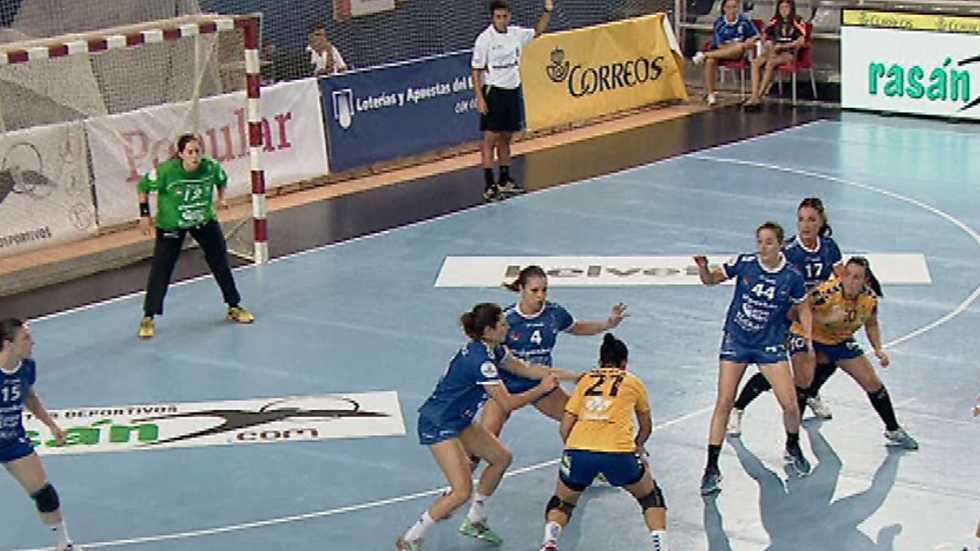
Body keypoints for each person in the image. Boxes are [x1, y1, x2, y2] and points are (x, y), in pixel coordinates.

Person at [396, 303, 578, 551]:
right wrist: (542, 389)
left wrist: (573, 376)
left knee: (501, 458)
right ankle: (410, 539)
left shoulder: (494, 349)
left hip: (459, 418)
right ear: (489, 331)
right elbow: (507, 403)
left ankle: (475, 518)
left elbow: (526, 369)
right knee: (461, 491)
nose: (508, 326)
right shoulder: (482, 362)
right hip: (438, 423)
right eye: (502, 323)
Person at [694, 221, 813, 496]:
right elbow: (710, 280)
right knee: (724, 401)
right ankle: (711, 468)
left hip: (769, 344)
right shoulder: (745, 264)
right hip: (737, 340)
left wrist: (807, 335)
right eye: (760, 241)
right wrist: (703, 268)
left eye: (769, 242)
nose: (763, 247)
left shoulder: (791, 276)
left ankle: (792, 445)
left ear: (780, 245)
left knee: (790, 404)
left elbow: (803, 307)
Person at [538, 333, 668, 551]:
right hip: (619, 453)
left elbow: (565, 426)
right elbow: (646, 427)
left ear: (600, 361)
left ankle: (550, 542)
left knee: (563, 502)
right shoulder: (633, 382)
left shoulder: (586, 380)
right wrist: (638, 446)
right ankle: (661, 547)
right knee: (650, 497)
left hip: (578, 451)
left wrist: (574, 452)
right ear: (624, 363)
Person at [728, 197, 843, 435]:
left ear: (821, 222)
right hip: (788, 318)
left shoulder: (829, 247)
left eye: (811, 220)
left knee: (832, 356)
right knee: (779, 371)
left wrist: (832, 298)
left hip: (816, 315)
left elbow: (841, 279)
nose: (805, 225)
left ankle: (811, 393)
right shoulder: (789, 251)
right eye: (801, 220)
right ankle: (738, 408)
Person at [787, 257, 918, 449]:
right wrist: (821, 321)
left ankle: (893, 429)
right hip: (808, 335)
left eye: (856, 277)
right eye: (847, 275)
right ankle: (792, 441)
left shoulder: (869, 299)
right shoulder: (824, 293)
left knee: (872, 382)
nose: (850, 281)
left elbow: (871, 324)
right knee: (803, 382)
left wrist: (878, 349)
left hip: (839, 340)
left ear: (865, 280)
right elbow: (793, 313)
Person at [137, 134, 254, 339]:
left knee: (220, 260)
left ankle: (234, 306)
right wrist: (145, 215)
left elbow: (221, 180)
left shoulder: (210, 167)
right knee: (161, 268)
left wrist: (221, 199)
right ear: (181, 154)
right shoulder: (166, 172)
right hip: (172, 224)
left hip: (203, 220)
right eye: (190, 152)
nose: (195, 156)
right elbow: (142, 186)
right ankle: (149, 317)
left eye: (198, 151)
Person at [0, 319, 78, 550]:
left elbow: (30, 397)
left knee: (44, 494)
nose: (33, 342)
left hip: (12, 441)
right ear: (8, 344)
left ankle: (63, 545)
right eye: (26, 338)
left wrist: (51, 425)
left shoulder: (27, 367)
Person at [472, 0, 554, 202]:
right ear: (492, 18)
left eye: (504, 16)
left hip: (512, 91)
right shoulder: (484, 39)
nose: (501, 20)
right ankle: (489, 185)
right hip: (494, 92)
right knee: (490, 139)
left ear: (509, 16)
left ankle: (505, 180)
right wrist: (480, 98)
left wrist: (547, 10)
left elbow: (538, 31)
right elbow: (476, 71)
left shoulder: (516, 34)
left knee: (506, 138)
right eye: (497, 17)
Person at [691, 0, 760, 106]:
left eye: (734, 7)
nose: (732, 10)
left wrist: (750, 40)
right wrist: (733, 46)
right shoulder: (719, 23)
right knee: (710, 61)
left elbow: (757, 35)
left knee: (740, 46)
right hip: (722, 52)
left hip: (739, 54)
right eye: (729, 7)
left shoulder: (744, 21)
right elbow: (720, 45)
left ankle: (704, 55)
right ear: (724, 9)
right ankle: (711, 94)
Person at [743, 0, 806, 110]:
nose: (784, 10)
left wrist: (783, 46)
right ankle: (754, 94)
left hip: (789, 52)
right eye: (781, 8)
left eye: (786, 7)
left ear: (791, 9)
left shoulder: (798, 21)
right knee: (755, 62)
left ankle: (758, 97)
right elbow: (764, 35)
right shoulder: (775, 20)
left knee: (771, 63)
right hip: (773, 50)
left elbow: (801, 41)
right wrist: (766, 43)